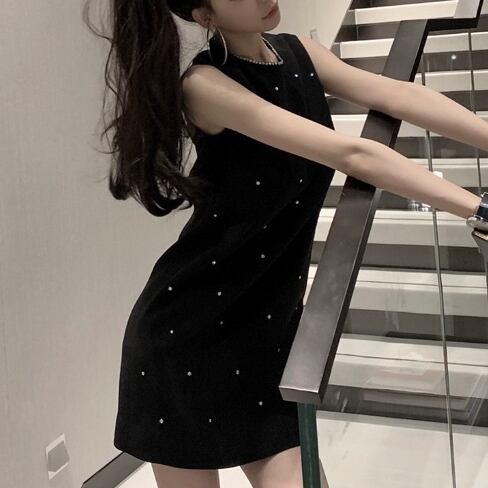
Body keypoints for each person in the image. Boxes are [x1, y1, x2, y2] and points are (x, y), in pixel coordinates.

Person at [83, 1, 488, 487]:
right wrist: (478, 208)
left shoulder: (299, 53)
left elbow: (397, 94)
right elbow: (351, 153)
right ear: (205, 14)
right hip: (186, 337)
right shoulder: (204, 86)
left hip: (268, 335)